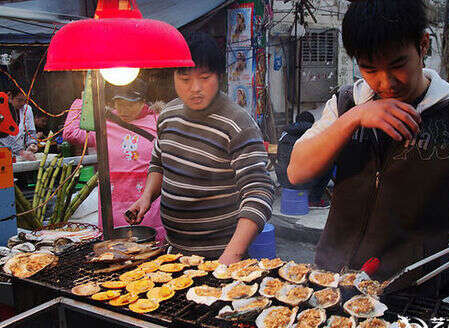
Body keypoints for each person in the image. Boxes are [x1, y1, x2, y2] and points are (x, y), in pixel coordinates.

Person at [287, 0, 449, 297]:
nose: (385, 83)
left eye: (398, 64)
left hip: (415, 292)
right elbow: (297, 172)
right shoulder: (346, 104)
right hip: (334, 283)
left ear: (423, 45)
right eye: (369, 68)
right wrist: (354, 118)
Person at [126, 32, 274, 265]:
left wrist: (230, 257)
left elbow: (259, 193)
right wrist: (146, 197)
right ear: (174, 77)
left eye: (204, 78)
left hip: (221, 257)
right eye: (185, 80)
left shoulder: (237, 123)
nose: (195, 88)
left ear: (220, 77)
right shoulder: (167, 115)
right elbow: (158, 162)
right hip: (174, 254)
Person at [63, 78, 165, 241]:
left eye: (130, 104)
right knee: (114, 251)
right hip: (113, 202)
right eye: (119, 103)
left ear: (143, 102)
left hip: (148, 200)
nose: (124, 109)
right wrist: (84, 98)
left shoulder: (157, 120)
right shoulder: (105, 122)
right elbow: (70, 133)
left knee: (151, 248)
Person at [275, 111, 331, 209]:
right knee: (329, 165)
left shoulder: (285, 134)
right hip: (302, 180)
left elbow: (279, 156)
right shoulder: (315, 133)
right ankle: (314, 200)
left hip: (283, 179)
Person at [0, 86, 37, 160]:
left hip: (20, 155)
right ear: (9, 96)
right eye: (19, 100)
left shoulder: (27, 109)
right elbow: (2, 135)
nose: (22, 103)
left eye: (25, 100)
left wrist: (32, 144)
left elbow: (30, 130)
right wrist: (21, 152)